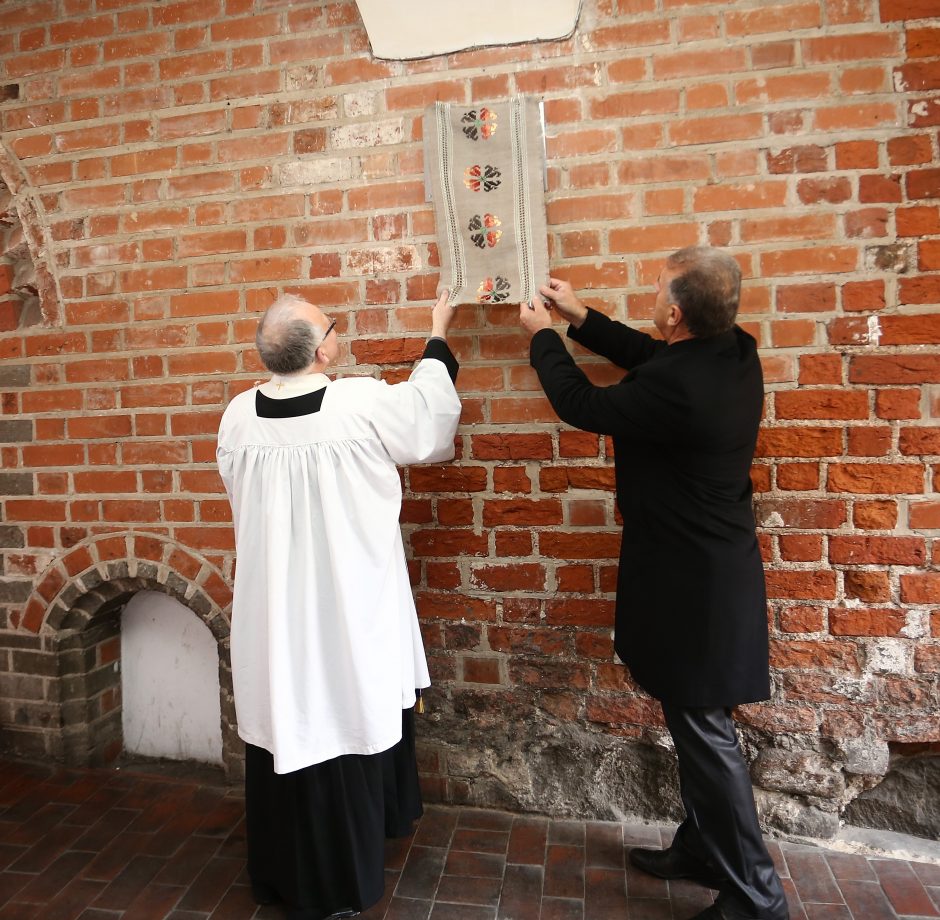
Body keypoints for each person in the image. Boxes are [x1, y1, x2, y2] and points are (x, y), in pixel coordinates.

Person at [518, 247, 789, 920]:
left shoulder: (684, 383)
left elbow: (581, 402)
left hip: (694, 583)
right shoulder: (732, 352)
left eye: (657, 290)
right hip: (701, 569)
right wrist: (581, 317)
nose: (650, 297)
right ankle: (702, 849)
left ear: (675, 311)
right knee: (696, 721)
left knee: (703, 728)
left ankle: (757, 895)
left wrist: (544, 338)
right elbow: (652, 357)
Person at [217, 291, 461, 920]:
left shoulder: (239, 415)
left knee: (293, 710)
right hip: (350, 600)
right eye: (332, 328)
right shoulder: (356, 402)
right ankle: (337, 882)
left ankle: (280, 870)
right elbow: (428, 425)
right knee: (347, 704)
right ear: (323, 347)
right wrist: (438, 338)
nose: (336, 335)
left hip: (275, 606)